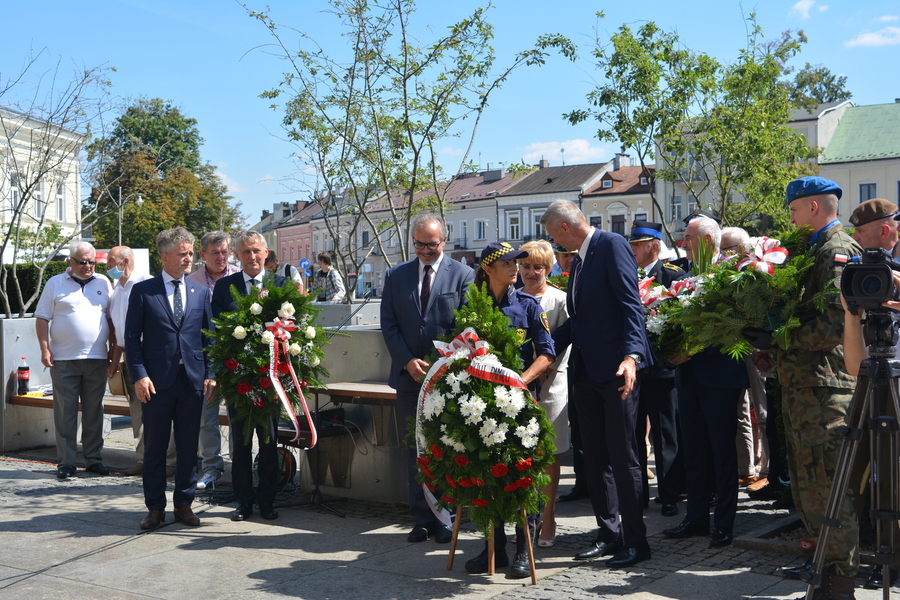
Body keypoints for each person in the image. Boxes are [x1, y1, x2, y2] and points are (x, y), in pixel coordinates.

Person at [541, 200, 653, 569]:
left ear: (563, 229)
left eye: (551, 235)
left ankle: (637, 541)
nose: (553, 243)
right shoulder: (581, 261)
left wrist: (632, 356)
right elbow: (579, 322)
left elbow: (630, 305)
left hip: (617, 374)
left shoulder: (610, 245)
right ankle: (608, 534)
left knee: (623, 458)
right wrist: (539, 353)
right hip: (586, 374)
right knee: (594, 458)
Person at [776, 176, 862, 598]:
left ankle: (840, 581)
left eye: (793, 210)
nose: (789, 218)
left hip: (825, 390)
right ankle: (823, 567)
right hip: (804, 387)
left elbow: (834, 323)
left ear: (813, 207)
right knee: (807, 483)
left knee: (829, 486)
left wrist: (779, 337)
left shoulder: (837, 250)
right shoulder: (812, 249)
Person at [380, 215, 474, 545]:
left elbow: (466, 327)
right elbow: (388, 325)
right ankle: (421, 517)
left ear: (444, 241)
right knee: (416, 451)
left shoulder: (463, 276)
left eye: (431, 244)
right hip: (409, 379)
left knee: (447, 448)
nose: (424, 250)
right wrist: (407, 361)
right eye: (418, 244)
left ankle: (446, 516)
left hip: (447, 379)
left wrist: (440, 365)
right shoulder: (395, 275)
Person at [464, 241, 555, 578]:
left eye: (519, 262)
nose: (517, 268)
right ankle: (494, 548)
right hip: (480, 406)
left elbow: (546, 353)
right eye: (508, 263)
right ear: (488, 269)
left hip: (520, 406)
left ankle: (522, 548)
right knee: (487, 476)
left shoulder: (530, 306)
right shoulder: (471, 306)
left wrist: (520, 381)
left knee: (521, 476)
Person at [662, 217, 749, 549]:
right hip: (687, 378)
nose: (683, 243)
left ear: (709, 241)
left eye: (688, 237)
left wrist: (692, 350)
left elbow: (732, 326)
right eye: (683, 238)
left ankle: (724, 523)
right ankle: (696, 518)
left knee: (722, 452)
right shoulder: (684, 277)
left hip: (720, 377)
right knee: (694, 451)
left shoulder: (731, 276)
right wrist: (671, 350)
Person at [125, 228, 216, 530]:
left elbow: (209, 339)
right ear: (164, 257)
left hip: (191, 381)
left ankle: (184, 505)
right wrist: (139, 375)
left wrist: (211, 374)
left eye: (191, 253)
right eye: (183, 254)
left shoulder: (200, 292)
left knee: (190, 447)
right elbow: (131, 338)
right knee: (155, 448)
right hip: (156, 384)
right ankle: (155, 508)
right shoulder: (144, 291)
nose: (189, 258)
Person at [840, 197, 900, 592]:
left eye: (861, 233)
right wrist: (851, 311)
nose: (857, 242)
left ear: (887, 228)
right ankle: (884, 553)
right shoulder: (864, 274)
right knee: (878, 478)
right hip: (878, 388)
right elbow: (852, 365)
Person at [212, 231, 289, 522]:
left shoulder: (280, 286)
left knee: (269, 444)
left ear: (266, 253)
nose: (252, 257)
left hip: (271, 381)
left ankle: (268, 501)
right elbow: (217, 332)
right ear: (237, 256)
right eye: (246, 252)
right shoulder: (224, 288)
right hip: (238, 380)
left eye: (256, 251)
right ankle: (243, 501)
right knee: (240, 444)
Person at [35, 242, 113, 480]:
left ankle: (94, 459)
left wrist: (113, 352)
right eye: (83, 261)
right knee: (65, 413)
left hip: (97, 358)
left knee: (94, 412)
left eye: (92, 261)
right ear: (70, 262)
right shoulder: (55, 283)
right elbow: (41, 318)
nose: (88, 266)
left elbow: (110, 319)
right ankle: (66, 462)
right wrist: (45, 349)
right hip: (64, 359)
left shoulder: (103, 282)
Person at [628, 221, 687, 519]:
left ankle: (669, 493)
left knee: (665, 435)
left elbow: (684, 317)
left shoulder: (673, 275)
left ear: (653, 246)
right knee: (633, 433)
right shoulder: (624, 274)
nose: (632, 249)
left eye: (637, 245)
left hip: (663, 368)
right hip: (632, 369)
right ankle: (637, 494)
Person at [106, 246, 176, 477]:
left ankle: (169, 461)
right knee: (138, 412)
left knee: (163, 411)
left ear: (124, 261)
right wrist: (115, 361)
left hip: (153, 356)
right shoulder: (116, 291)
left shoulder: (147, 284)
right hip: (131, 357)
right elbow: (119, 332)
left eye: (110, 261)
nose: (107, 267)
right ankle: (143, 459)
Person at [518, 240, 570, 547]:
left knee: (547, 452)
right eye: (525, 266)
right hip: (519, 385)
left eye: (537, 267)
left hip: (552, 383)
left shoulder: (559, 299)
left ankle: (548, 517)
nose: (531, 272)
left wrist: (545, 370)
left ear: (548, 269)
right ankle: (525, 516)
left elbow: (565, 344)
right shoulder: (511, 298)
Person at [186, 231, 241, 491]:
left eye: (225, 252)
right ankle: (211, 468)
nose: (221, 257)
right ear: (203, 255)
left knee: (238, 414)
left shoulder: (239, 278)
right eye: (215, 253)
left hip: (237, 358)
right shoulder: (191, 281)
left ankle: (239, 465)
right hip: (204, 359)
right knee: (206, 417)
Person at [721, 226, 763, 488]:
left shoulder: (758, 273)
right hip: (735, 350)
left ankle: (766, 469)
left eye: (724, 249)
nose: (721, 254)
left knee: (763, 412)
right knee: (742, 410)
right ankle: (747, 468)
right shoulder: (725, 273)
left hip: (757, 350)